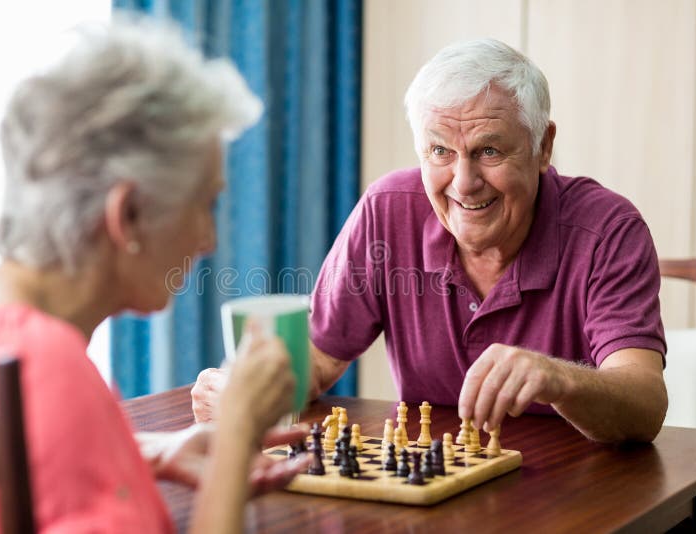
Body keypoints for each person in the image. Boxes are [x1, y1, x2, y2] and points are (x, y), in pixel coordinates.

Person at [0, 16, 308, 534]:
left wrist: (145, 451)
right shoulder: (46, 365)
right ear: (127, 215)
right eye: (204, 204)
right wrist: (236, 438)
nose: (209, 239)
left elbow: (17, 459)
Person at [193, 39, 668, 444]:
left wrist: (559, 378)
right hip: (434, 484)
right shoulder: (386, 212)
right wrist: (242, 390)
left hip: (578, 491)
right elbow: (316, 361)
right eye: (440, 150)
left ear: (542, 146)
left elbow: (644, 406)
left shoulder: (608, 231)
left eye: (488, 150)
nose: (464, 183)